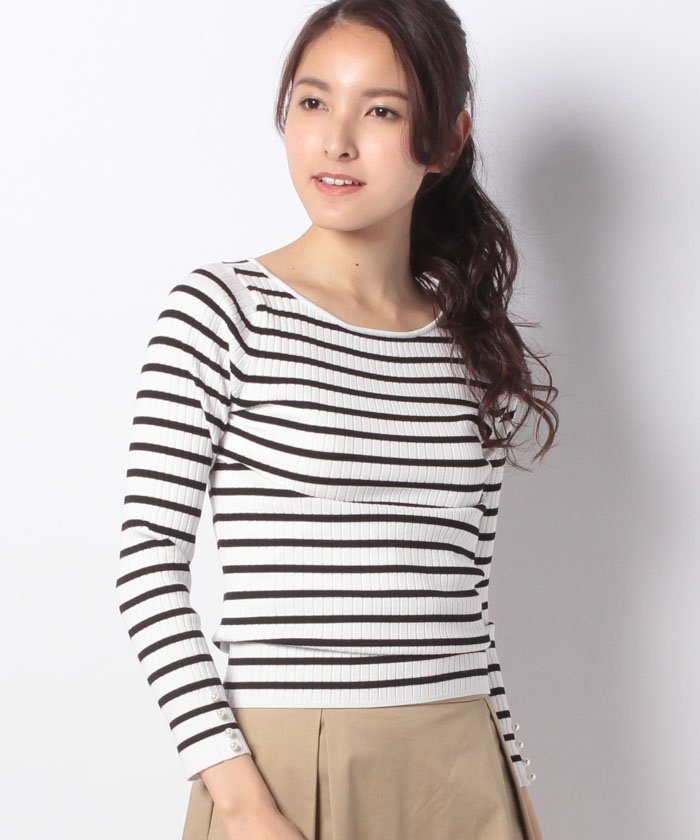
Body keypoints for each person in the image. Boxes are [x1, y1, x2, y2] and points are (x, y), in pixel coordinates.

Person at [115, 1, 557, 838]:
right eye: (314, 102)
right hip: (284, 769)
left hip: (463, 763)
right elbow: (148, 568)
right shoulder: (223, 312)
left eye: (381, 111)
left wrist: (518, 794)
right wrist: (242, 801)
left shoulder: (473, 349)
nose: (336, 140)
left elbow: (468, 601)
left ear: (447, 139)